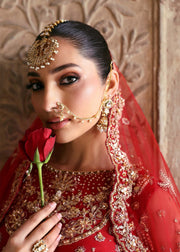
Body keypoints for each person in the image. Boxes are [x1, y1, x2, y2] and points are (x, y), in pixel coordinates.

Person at [0, 20, 180, 252]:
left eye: (68, 79)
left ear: (111, 83)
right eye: (37, 85)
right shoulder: (23, 174)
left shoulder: (144, 197)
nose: (46, 103)